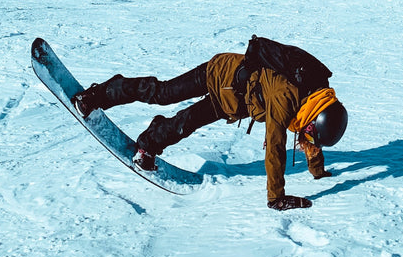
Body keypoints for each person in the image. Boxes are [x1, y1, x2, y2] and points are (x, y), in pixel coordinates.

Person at [72, 50, 348, 210]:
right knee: (163, 93)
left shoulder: (317, 96)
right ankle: (100, 94)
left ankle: (150, 143)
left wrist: (318, 171)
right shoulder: (286, 98)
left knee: (185, 124)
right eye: (310, 132)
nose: (307, 137)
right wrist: (276, 197)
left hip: (233, 101)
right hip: (219, 74)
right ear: (313, 119)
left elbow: (311, 136)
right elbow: (276, 148)